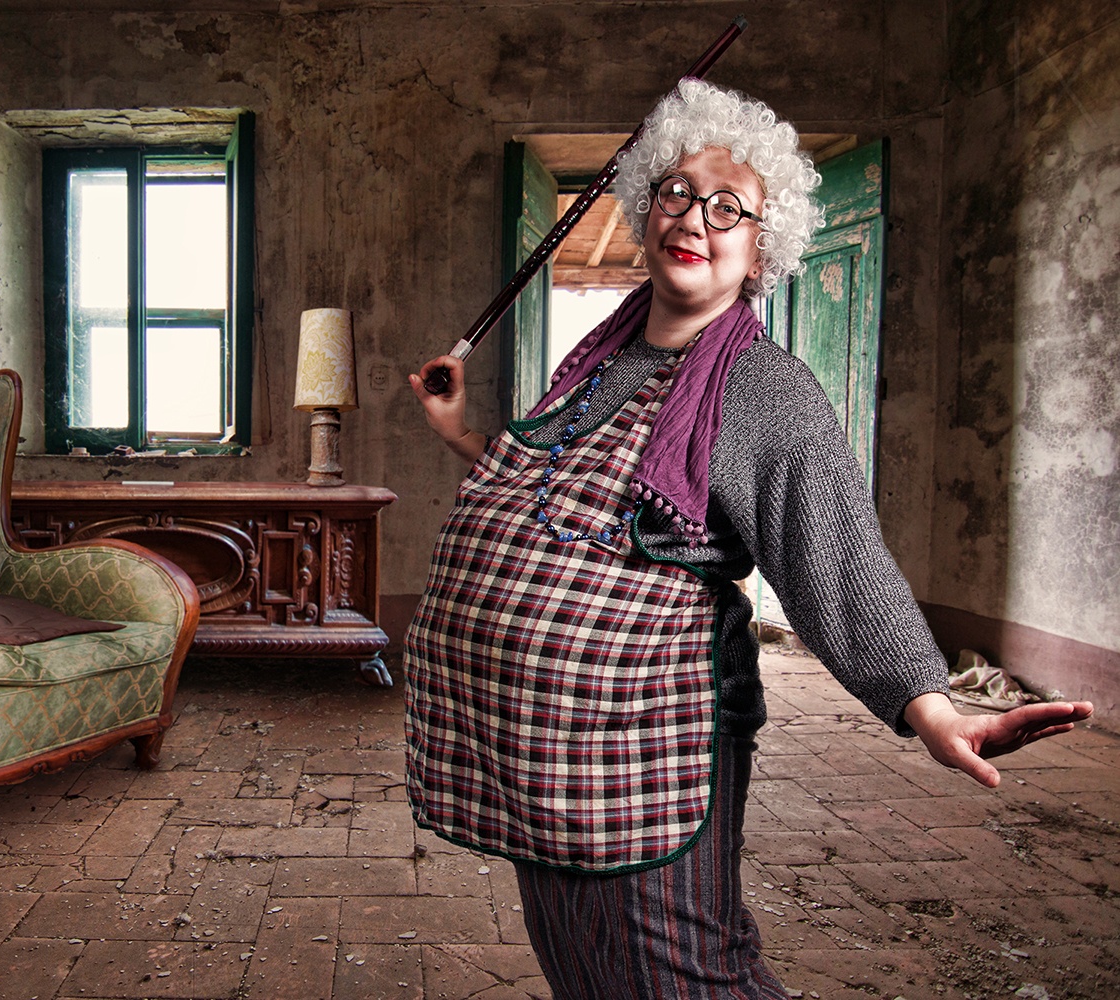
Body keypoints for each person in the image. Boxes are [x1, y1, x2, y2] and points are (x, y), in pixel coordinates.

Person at [403, 78, 1093, 999]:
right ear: (647, 208)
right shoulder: (604, 362)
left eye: (729, 206)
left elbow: (839, 561)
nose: (696, 217)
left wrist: (934, 711)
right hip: (542, 756)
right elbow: (555, 493)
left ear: (763, 248)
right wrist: (460, 434)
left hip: (644, 747)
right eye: (677, 191)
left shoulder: (765, 392)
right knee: (587, 969)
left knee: (688, 974)